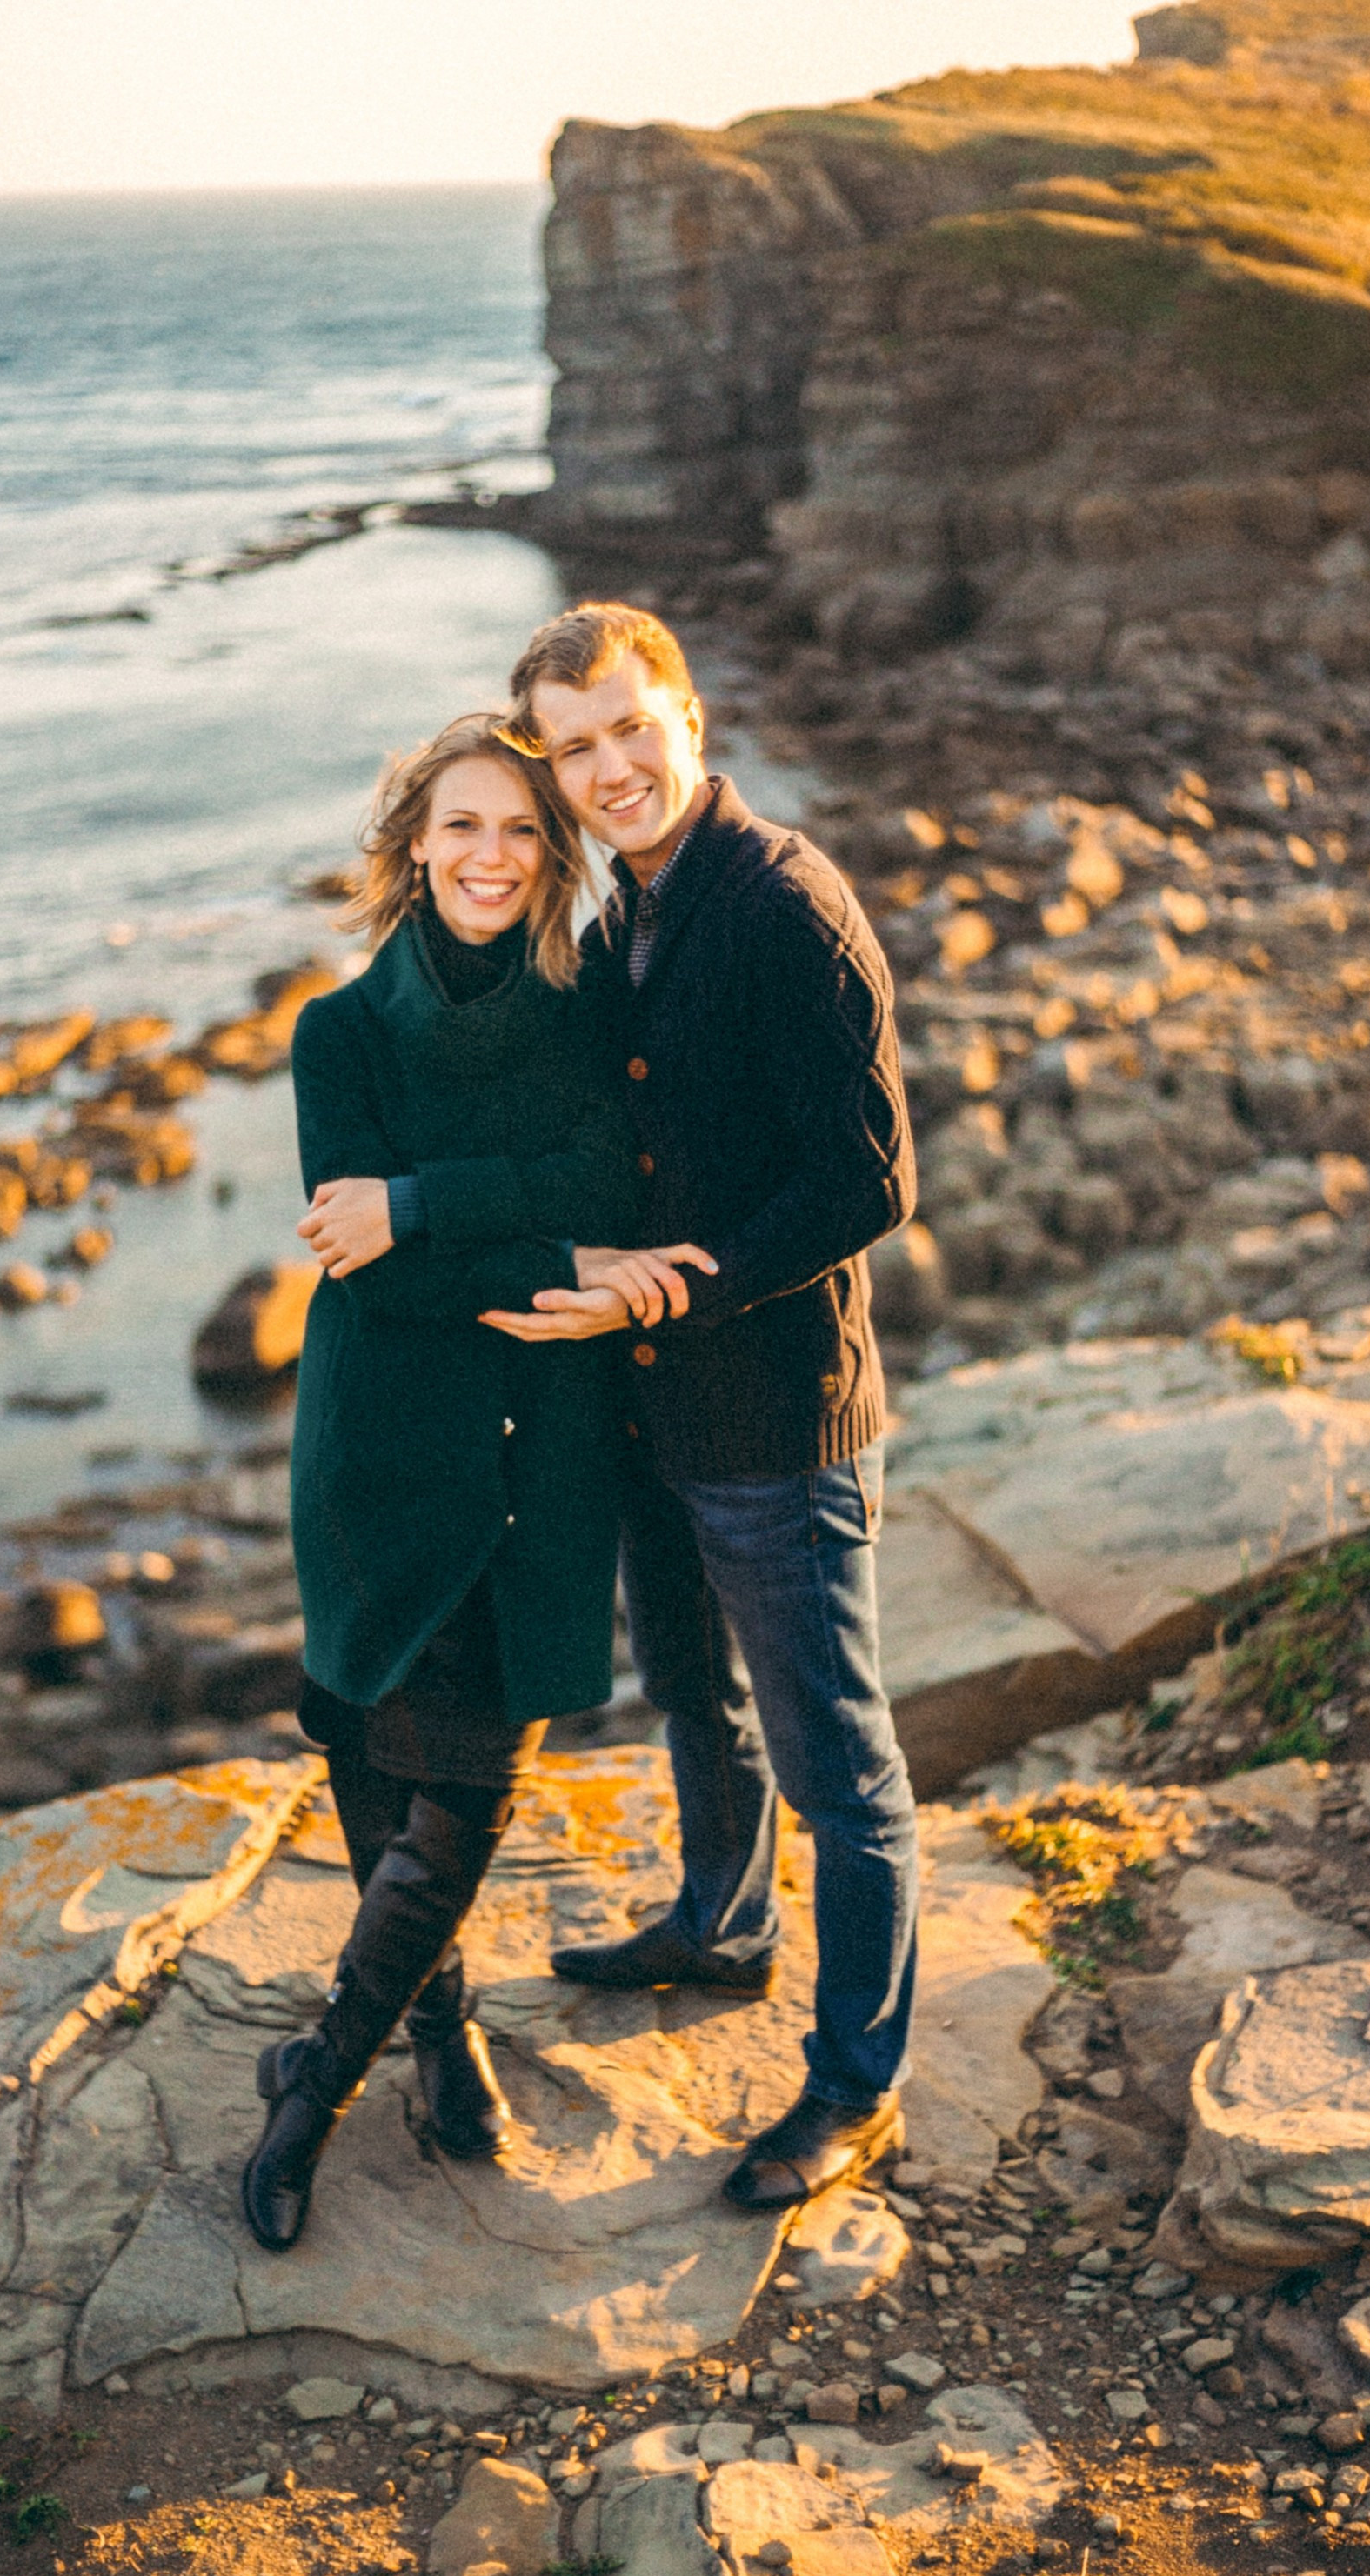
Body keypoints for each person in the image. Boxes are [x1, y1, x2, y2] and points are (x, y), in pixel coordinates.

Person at [484, 603, 921, 2212]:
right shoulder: (625, 909)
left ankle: (856, 2083)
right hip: (653, 1412)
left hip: (775, 1409)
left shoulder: (784, 901)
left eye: (626, 728)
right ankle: (721, 1931)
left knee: (839, 1766)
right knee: (692, 1695)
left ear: (685, 709)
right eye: (573, 746)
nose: (608, 769)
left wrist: (684, 1277)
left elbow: (874, 1178)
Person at [240, 711, 690, 2255]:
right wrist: (553, 1251)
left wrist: (426, 1201)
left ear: (551, 852)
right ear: (412, 848)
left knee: (478, 1783)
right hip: (380, 1448)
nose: (490, 855)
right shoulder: (339, 1034)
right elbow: (375, 1281)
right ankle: (435, 2045)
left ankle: (312, 2084)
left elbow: (611, 1181)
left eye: (518, 829)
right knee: (376, 1749)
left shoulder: (581, 1020)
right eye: (460, 828)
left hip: (547, 1457)